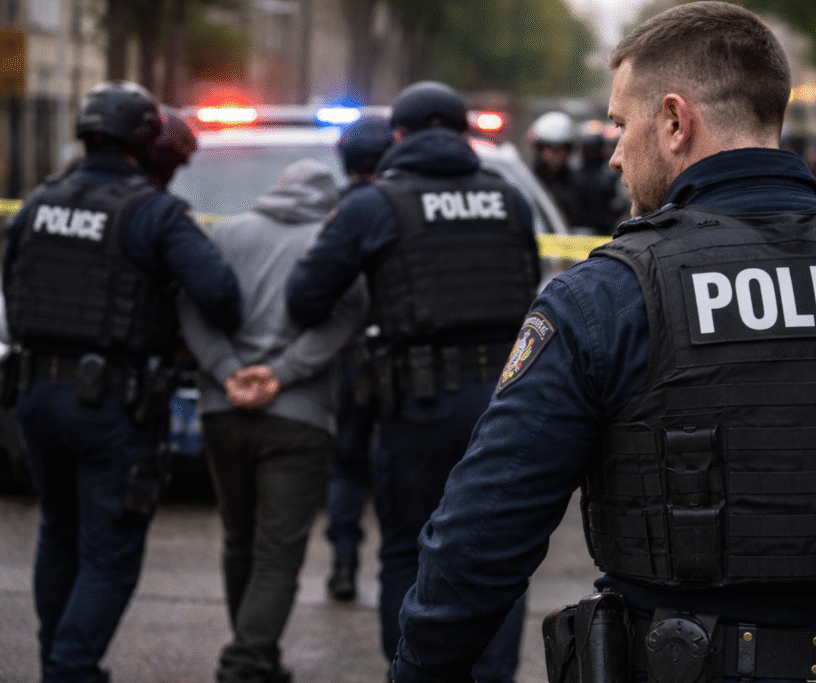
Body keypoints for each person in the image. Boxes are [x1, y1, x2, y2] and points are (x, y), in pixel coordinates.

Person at [389, 4, 816, 683]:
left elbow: (480, 539)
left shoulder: (607, 299)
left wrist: (421, 668)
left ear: (672, 121)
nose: (612, 152)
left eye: (619, 124)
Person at [286, 80, 540, 683]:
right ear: (462, 132)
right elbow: (527, 288)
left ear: (398, 136)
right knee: (497, 552)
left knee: (409, 548)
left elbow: (305, 297)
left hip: (417, 405)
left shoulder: (375, 204)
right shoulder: (509, 199)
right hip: (505, 405)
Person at [2, 80, 242, 683]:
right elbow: (221, 295)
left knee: (59, 532)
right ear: (145, 138)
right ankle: (71, 668)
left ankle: (58, 657)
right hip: (112, 406)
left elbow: (14, 286)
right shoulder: (153, 212)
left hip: (35, 396)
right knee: (110, 551)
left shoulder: (38, 202)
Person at [177, 158, 366, 683]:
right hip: (298, 417)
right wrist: (281, 375)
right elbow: (345, 320)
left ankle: (255, 650)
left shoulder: (229, 233)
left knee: (240, 538)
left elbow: (191, 306)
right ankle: (246, 660)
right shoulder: (331, 247)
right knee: (279, 548)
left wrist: (228, 371)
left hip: (223, 409)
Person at [324, 115, 394, 601]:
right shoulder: (394, 207)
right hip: (395, 358)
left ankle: (343, 564)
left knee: (346, 462)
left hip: (348, 358)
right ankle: (402, 563)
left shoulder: (336, 212)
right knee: (395, 463)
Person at [528, 110, 585, 227]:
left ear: (568, 150)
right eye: (547, 148)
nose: (552, 155)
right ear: (538, 149)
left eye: (559, 149)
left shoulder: (580, 184)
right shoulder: (526, 181)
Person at [576, 119, 629, 235]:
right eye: (588, 148)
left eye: (594, 148)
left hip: (607, 230)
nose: (591, 152)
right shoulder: (575, 171)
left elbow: (621, 201)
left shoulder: (611, 172)